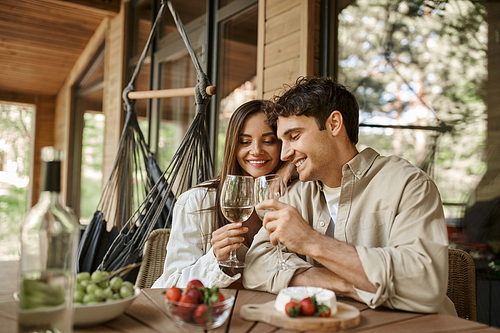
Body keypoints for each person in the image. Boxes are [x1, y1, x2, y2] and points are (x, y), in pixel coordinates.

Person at [243, 77, 457, 315]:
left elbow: (425, 286)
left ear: (334, 123)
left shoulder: (409, 184)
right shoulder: (297, 194)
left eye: (294, 136)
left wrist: (311, 241)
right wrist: (344, 283)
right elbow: (255, 266)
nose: (284, 155)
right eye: (282, 141)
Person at [152, 99, 293, 289]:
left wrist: (290, 165)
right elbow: (170, 286)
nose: (257, 150)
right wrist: (215, 259)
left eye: (268, 141)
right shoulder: (197, 202)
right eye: (245, 142)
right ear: (233, 146)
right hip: (214, 314)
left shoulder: (293, 195)